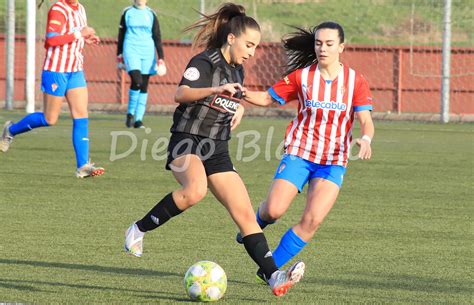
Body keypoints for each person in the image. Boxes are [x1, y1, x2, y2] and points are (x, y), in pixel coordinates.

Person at [123, 3, 304, 297]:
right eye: (248, 44)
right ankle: (138, 230)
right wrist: (214, 91)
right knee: (195, 190)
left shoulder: (238, 70)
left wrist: (239, 109)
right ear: (231, 38)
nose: (252, 52)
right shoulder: (204, 62)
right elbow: (180, 93)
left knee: (245, 214)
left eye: (256, 46)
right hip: (187, 139)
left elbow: (231, 98)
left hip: (217, 147)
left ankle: (274, 277)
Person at [237, 21, 375, 281]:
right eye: (318, 43)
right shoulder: (302, 77)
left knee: (312, 221)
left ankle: (268, 270)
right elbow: (267, 98)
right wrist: (241, 92)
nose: (322, 48)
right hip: (300, 152)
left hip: (333, 161)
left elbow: (366, 120)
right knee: (274, 210)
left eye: (329, 44)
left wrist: (365, 139)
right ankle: (256, 222)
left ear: (341, 47)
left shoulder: (355, 81)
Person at [0, 0, 104, 179]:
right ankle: (11, 130)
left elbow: (73, 37)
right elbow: (52, 40)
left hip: (75, 69)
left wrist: (87, 38)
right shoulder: (58, 9)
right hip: (56, 70)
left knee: (81, 115)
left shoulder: (80, 8)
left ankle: (83, 166)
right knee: (50, 119)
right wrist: (80, 33)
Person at [117, 0, 166, 129]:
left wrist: (161, 58)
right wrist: (119, 54)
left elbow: (157, 36)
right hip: (131, 49)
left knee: (143, 85)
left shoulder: (151, 14)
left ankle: (138, 120)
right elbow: (121, 34)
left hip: (148, 52)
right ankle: (130, 113)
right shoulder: (127, 12)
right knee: (137, 80)